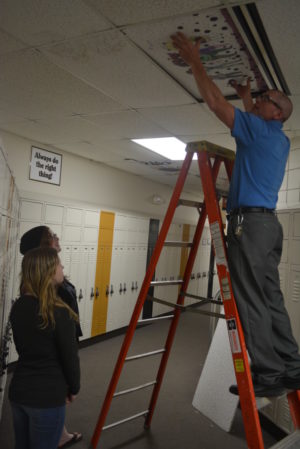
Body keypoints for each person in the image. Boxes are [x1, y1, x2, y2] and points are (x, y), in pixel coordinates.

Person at [171, 32, 300, 397]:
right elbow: (252, 123)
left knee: (249, 299)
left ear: (277, 112)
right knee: (271, 297)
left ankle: (268, 374)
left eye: (265, 98)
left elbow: (214, 102)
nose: (259, 100)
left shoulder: (259, 130)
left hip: (250, 226)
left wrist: (196, 60)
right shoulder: (278, 138)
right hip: (268, 227)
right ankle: (291, 366)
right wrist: (247, 97)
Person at [9, 247, 80, 449]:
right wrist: (74, 388)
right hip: (47, 397)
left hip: (19, 393)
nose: (62, 266)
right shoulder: (58, 312)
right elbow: (70, 358)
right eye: (58, 263)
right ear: (48, 271)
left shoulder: (19, 306)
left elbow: (26, 348)